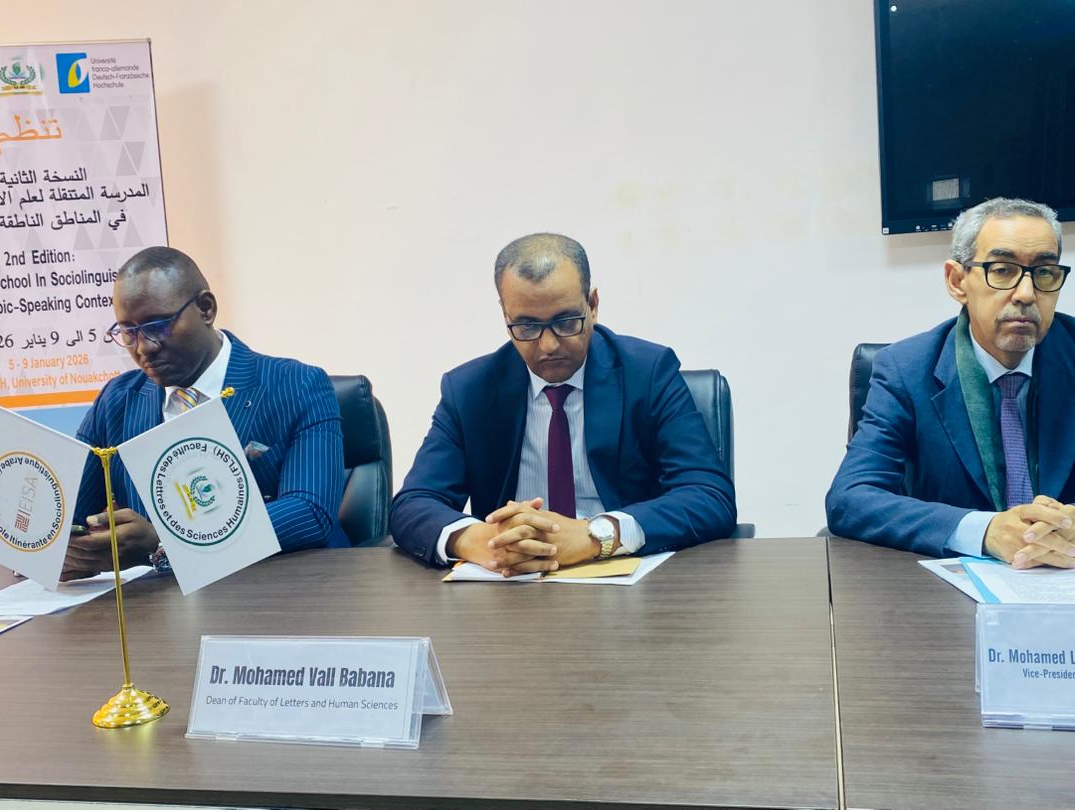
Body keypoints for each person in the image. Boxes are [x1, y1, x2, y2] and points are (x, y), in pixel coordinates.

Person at [391, 233, 737, 575]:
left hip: (625, 582)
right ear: (505, 316)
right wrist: (477, 539)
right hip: (511, 587)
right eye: (527, 326)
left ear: (593, 305)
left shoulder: (647, 373)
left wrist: (597, 535)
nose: (549, 345)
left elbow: (709, 494)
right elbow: (413, 503)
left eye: (566, 322)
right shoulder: (470, 390)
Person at [64, 246, 346, 580]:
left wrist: (167, 545)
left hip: (279, 590)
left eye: (158, 325)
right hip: (156, 600)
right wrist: (67, 548)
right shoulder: (118, 400)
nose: (144, 347)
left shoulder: (297, 385)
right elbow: (69, 515)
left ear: (206, 309)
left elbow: (309, 512)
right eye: (128, 331)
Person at [826, 197, 1075, 569]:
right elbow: (850, 499)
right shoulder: (906, 369)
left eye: (1044, 272)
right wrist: (985, 530)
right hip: (954, 588)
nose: (1026, 293)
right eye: (1002, 270)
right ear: (957, 281)